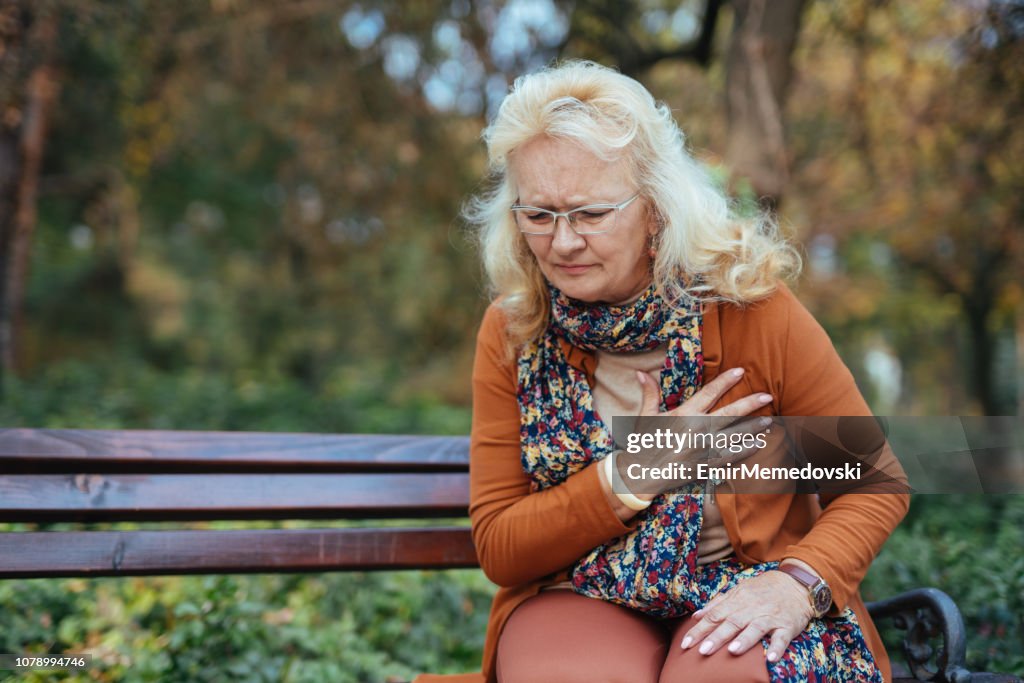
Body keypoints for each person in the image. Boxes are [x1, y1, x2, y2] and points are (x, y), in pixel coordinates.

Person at [458, 60, 908, 683]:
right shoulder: (514, 332)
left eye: (590, 213)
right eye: (538, 215)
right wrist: (634, 473)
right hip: (580, 589)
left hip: (746, 581)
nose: (562, 243)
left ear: (656, 208)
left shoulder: (750, 308)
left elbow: (871, 480)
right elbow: (501, 547)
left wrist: (797, 583)